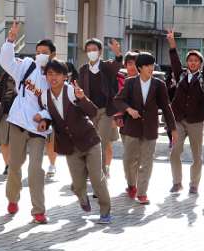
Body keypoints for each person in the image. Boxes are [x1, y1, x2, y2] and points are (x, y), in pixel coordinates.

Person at [38, 59, 112, 224]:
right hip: (69, 146)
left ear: (65, 76)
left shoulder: (72, 91)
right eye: (50, 74)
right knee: (78, 185)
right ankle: (82, 196)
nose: (53, 77)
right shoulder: (43, 97)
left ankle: (105, 211)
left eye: (58, 74)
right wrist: (44, 122)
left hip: (89, 140)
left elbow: (92, 112)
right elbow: (49, 116)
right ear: (45, 76)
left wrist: (82, 98)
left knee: (96, 177)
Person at [0, 21, 55, 224]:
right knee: (14, 166)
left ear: (52, 55)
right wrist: (11, 40)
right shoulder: (27, 66)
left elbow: (57, 105)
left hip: (39, 130)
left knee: (35, 170)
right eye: (38, 51)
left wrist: (45, 118)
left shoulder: (55, 76)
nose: (40, 55)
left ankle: (38, 210)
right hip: (18, 124)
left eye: (45, 52)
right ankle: (12, 199)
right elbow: (6, 62)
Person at [114, 52, 177, 206]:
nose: (151, 68)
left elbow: (166, 107)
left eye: (152, 65)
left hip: (150, 128)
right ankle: (131, 185)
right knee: (129, 160)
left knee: (147, 162)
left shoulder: (159, 85)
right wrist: (129, 110)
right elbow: (118, 100)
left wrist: (173, 129)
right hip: (132, 129)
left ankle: (142, 193)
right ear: (140, 67)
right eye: (147, 65)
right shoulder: (130, 83)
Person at [166, 30, 204, 196]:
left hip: (196, 121)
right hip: (179, 119)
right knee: (174, 153)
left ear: (199, 63)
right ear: (187, 63)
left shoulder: (203, 78)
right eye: (190, 60)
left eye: (196, 61)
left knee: (197, 155)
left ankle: (194, 184)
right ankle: (177, 183)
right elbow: (174, 60)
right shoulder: (180, 75)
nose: (193, 63)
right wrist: (172, 42)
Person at [78, 37, 123, 177]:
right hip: (89, 111)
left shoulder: (106, 66)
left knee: (101, 142)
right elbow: (80, 90)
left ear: (100, 51)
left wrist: (117, 53)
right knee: (89, 142)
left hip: (105, 111)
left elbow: (117, 65)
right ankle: (89, 170)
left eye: (94, 49)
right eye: (89, 50)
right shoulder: (83, 69)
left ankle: (101, 173)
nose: (91, 52)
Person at [114, 51, 139, 198]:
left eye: (135, 63)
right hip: (126, 124)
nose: (133, 66)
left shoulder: (147, 80)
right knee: (129, 157)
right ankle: (131, 184)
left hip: (143, 125)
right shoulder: (120, 80)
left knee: (140, 157)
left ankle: (137, 184)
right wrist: (118, 116)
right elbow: (115, 100)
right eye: (129, 63)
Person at [0, 71, 16, 176]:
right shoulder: (3, 78)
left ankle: (13, 165)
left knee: (16, 142)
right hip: (4, 114)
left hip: (18, 115)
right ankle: (7, 165)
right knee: (4, 142)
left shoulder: (24, 77)